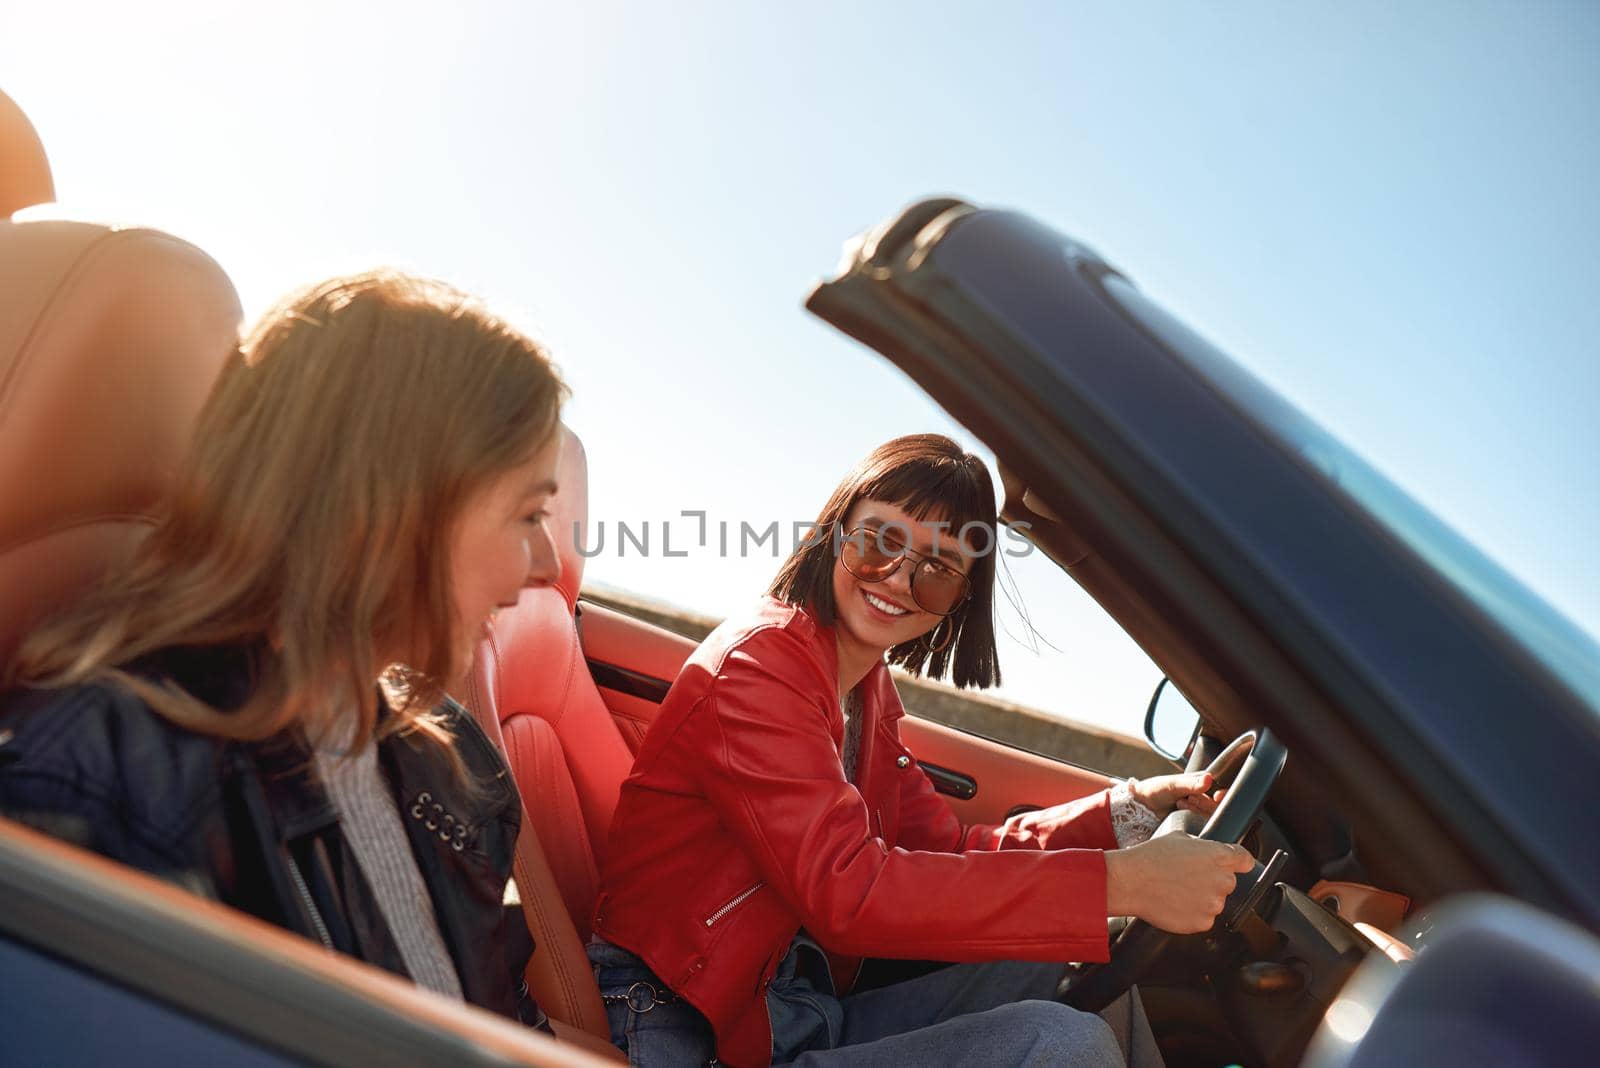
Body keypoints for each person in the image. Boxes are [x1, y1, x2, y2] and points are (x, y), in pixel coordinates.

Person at [0, 270, 566, 1028]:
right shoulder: (100, 783)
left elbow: (499, 1021)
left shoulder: (454, 765)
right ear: (388, 512)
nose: (548, 566)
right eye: (529, 514)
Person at [588, 434, 1254, 1067]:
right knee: (1063, 1046)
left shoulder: (863, 692)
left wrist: (1131, 812)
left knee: (1077, 957)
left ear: (957, 602)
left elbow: (952, 853)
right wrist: (1125, 883)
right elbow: (849, 892)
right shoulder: (760, 669)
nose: (900, 579)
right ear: (835, 530)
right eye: (882, 542)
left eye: (937, 570)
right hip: (676, 1025)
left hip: (786, 1008)